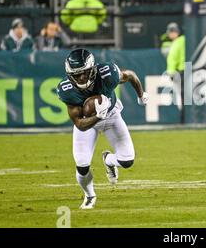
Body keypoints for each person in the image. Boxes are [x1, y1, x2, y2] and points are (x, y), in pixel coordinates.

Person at [56, 48, 149, 209]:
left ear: (92, 68)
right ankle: (89, 195)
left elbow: (131, 75)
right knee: (82, 164)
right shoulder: (67, 90)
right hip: (87, 123)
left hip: (112, 116)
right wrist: (98, 116)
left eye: (84, 72)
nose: (81, 77)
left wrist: (141, 96)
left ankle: (108, 160)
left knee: (127, 161)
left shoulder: (107, 73)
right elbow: (79, 124)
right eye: (76, 74)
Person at [166, 24, 186, 124]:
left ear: (174, 32)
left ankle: (183, 120)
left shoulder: (177, 42)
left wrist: (171, 73)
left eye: (170, 32)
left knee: (183, 97)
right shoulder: (186, 40)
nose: (169, 35)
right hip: (190, 71)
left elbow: (172, 59)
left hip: (181, 72)